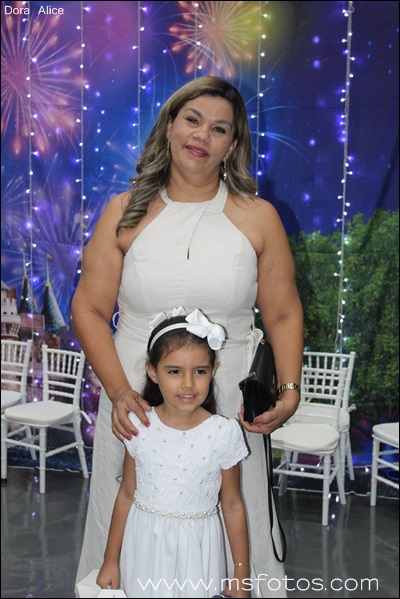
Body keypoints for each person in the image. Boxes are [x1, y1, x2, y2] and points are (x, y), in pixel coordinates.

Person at [73, 75, 304, 598]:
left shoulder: (259, 217)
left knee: (235, 510)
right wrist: (120, 392)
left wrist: (289, 391)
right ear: (170, 126)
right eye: (193, 120)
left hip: (228, 400)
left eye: (219, 128)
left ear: (233, 145)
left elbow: (285, 313)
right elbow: (88, 308)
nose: (202, 135)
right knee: (127, 508)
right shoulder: (123, 211)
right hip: (135, 402)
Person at [96, 310, 250, 598]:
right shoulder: (139, 426)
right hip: (144, 550)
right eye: (175, 371)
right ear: (153, 371)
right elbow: (127, 494)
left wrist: (241, 575)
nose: (188, 383)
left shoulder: (224, 433)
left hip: (199, 554)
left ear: (213, 370)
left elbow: (232, 505)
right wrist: (110, 560)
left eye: (200, 371)